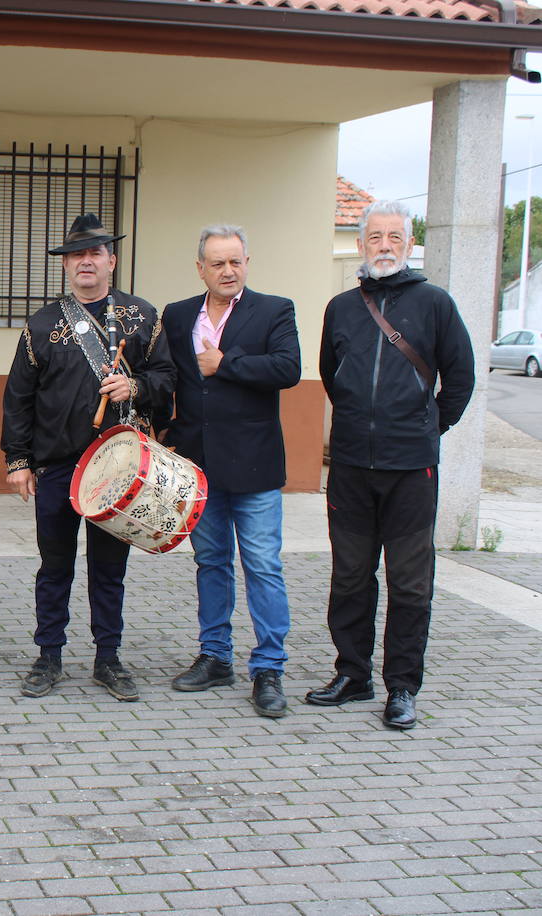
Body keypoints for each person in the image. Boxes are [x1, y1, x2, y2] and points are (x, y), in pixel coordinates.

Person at [307, 199, 473, 730]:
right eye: (374, 237)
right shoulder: (342, 307)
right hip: (352, 466)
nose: (383, 246)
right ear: (360, 244)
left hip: (411, 469)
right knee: (351, 576)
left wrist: (426, 428)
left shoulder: (435, 304)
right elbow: (331, 376)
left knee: (410, 582)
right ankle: (353, 675)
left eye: (394, 238)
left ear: (408, 244)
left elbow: (461, 380)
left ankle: (402, 686)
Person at [1, 213, 175, 701]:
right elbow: (19, 397)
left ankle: (108, 659)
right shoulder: (42, 324)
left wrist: (135, 385)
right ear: (66, 265)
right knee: (54, 566)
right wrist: (18, 461)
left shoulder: (143, 317)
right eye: (77, 254)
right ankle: (49, 655)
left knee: (109, 569)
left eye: (95, 253)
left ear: (111, 261)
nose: (85, 262)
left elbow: (167, 379)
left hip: (120, 469)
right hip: (57, 466)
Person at [160, 225, 301, 718]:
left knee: (263, 565)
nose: (228, 271)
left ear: (247, 262)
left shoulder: (274, 309)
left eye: (235, 261)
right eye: (217, 263)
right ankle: (215, 656)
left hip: (256, 465)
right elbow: (168, 377)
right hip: (199, 464)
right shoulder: (177, 315)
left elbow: (287, 369)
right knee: (211, 563)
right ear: (200, 267)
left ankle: (269, 667)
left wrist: (227, 363)